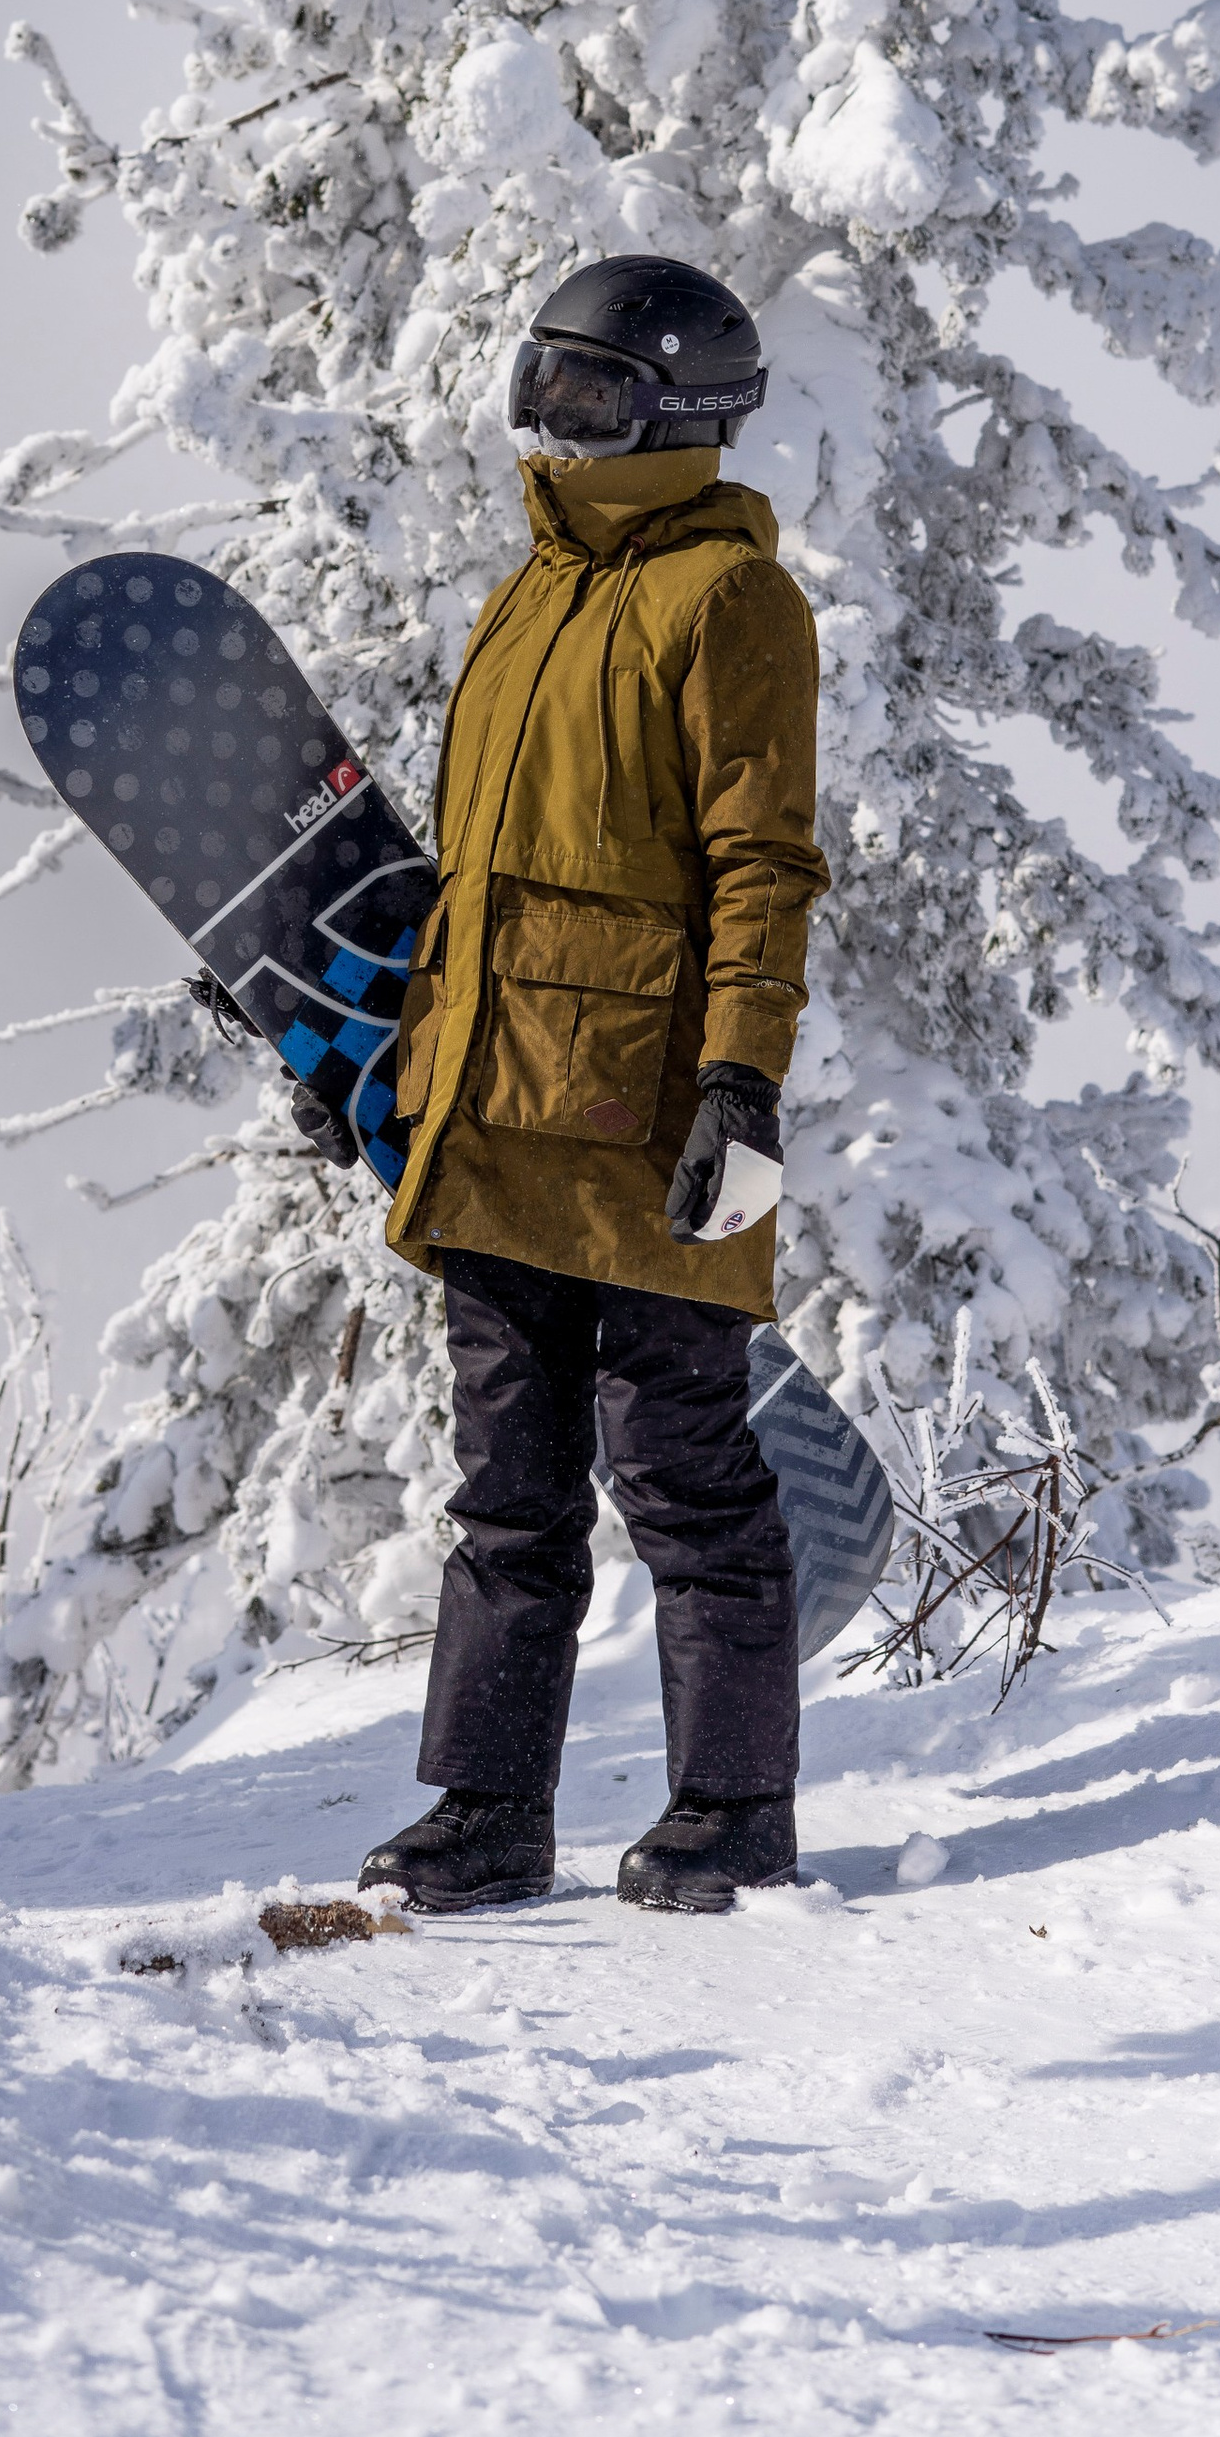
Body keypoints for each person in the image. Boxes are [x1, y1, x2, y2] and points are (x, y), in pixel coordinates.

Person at [356, 253, 829, 1916]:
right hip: (495, 1110)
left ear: (681, 412)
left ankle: (735, 1807)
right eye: (541, 386)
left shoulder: (731, 602)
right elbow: (478, 880)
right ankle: (489, 1808)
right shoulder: (527, 594)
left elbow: (763, 862)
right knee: (507, 1485)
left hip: (646, 1120)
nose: (551, 428)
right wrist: (403, 1060)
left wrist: (740, 1088)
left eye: (590, 395)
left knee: (684, 1468)